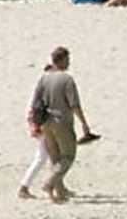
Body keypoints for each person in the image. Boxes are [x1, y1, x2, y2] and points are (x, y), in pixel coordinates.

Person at [26, 46, 95, 204]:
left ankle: (59, 192)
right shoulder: (67, 79)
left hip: (46, 123)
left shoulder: (44, 78)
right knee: (68, 156)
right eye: (67, 60)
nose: (69, 63)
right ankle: (49, 184)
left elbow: (36, 102)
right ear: (62, 60)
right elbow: (74, 105)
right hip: (61, 122)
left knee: (55, 158)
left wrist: (36, 123)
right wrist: (84, 124)